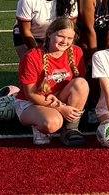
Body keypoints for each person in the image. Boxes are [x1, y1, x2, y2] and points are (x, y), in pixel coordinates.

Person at [16, 18, 88, 146]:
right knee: (53, 123)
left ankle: (71, 129)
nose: (65, 41)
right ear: (49, 34)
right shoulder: (32, 56)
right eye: (60, 36)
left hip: (57, 97)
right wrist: (60, 107)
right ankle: (38, 126)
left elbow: (78, 83)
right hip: (31, 102)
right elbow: (30, 95)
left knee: (81, 84)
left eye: (69, 38)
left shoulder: (76, 52)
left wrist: (59, 102)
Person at [14, 0, 78, 59]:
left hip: (56, 38)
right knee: (36, 66)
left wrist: (64, 46)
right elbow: (25, 31)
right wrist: (37, 53)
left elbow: (70, 27)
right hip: (29, 38)